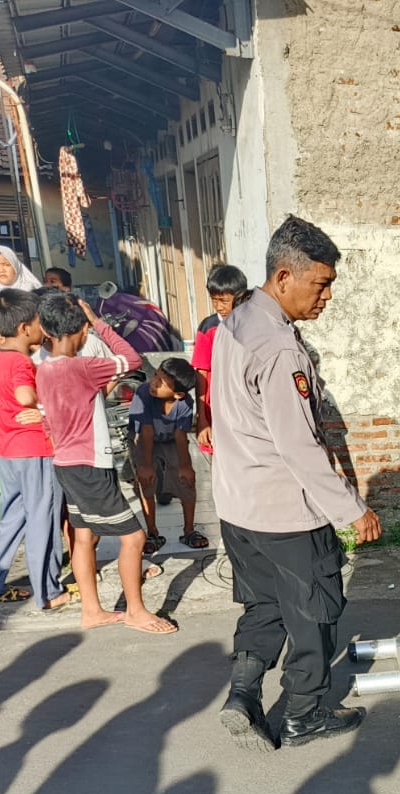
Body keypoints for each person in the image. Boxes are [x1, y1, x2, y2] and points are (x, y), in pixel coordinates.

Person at [213, 215, 380, 751]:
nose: (327, 296)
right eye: (320, 283)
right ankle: (304, 714)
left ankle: (243, 694)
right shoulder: (280, 349)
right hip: (285, 509)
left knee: (264, 606)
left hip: (238, 505)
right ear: (284, 277)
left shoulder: (234, 321)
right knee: (314, 614)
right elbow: (298, 445)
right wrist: (352, 509)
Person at [36, 291, 176, 634]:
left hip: (66, 463)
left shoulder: (43, 369)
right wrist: (100, 322)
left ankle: (92, 610)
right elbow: (131, 359)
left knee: (84, 535)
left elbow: (47, 421)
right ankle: (135, 611)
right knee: (134, 538)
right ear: (84, 330)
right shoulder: (84, 367)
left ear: (46, 331)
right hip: (90, 464)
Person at [0, 287, 67, 609]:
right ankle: (48, 592)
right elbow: (25, 396)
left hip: (8, 450)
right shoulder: (21, 362)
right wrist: (43, 400)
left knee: (11, 518)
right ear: (25, 328)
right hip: (34, 448)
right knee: (43, 519)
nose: (44, 328)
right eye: (40, 322)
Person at [127, 358, 204, 551]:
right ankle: (152, 533)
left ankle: (189, 531)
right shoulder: (144, 392)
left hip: (170, 439)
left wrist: (185, 466)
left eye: (161, 382)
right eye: (155, 375)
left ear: (178, 394)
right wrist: (146, 465)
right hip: (142, 438)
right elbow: (146, 431)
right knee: (146, 481)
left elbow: (180, 434)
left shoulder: (185, 402)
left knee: (187, 480)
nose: (154, 383)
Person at [191, 263, 249, 454]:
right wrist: (202, 418)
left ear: (239, 296)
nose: (218, 307)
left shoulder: (253, 325)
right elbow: (201, 372)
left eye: (224, 301)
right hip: (216, 409)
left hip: (246, 409)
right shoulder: (209, 328)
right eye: (214, 300)